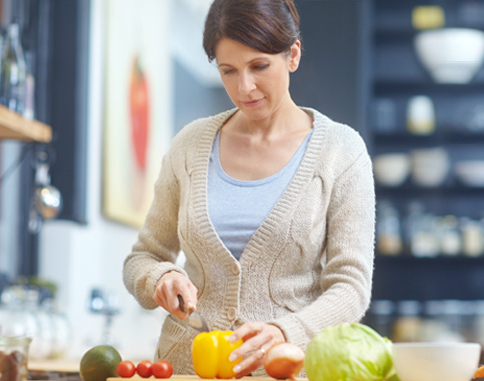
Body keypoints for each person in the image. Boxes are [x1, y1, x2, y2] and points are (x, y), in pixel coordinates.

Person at [122, 0, 375, 377]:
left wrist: (285, 332)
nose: (245, 87)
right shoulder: (190, 146)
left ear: (292, 55)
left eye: (259, 66)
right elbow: (142, 257)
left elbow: (351, 287)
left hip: (286, 370)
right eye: (228, 71)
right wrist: (160, 277)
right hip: (185, 369)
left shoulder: (342, 151)